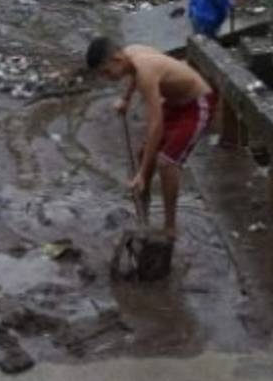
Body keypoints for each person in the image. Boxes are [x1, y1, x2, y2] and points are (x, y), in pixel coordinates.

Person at [86, 36, 218, 242]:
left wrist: (141, 172)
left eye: (106, 71)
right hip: (175, 103)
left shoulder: (145, 73)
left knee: (166, 163)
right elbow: (133, 76)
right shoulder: (131, 52)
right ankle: (143, 209)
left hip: (196, 103)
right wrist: (126, 99)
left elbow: (155, 126)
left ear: (116, 58)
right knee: (142, 154)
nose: (107, 77)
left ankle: (170, 228)